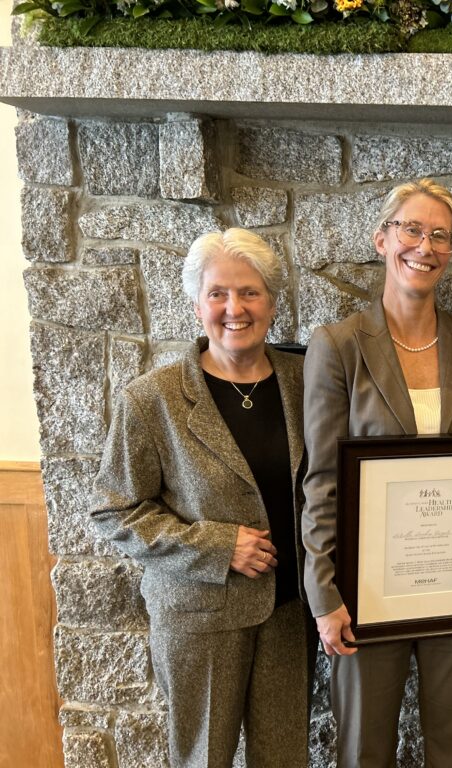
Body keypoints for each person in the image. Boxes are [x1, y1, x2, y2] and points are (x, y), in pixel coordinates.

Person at [301, 178, 452, 768]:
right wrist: (323, 593)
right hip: (365, 588)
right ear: (382, 238)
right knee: (362, 748)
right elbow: (323, 477)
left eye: (439, 235)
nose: (423, 245)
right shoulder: (338, 345)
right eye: (410, 229)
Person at [90, 228, 313, 767]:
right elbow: (114, 511)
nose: (234, 307)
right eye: (218, 293)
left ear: (273, 302)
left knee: (285, 759)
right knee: (202, 759)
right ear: (196, 305)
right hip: (199, 616)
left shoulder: (308, 382)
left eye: (250, 292)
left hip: (290, 612)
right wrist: (217, 546)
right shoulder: (152, 399)